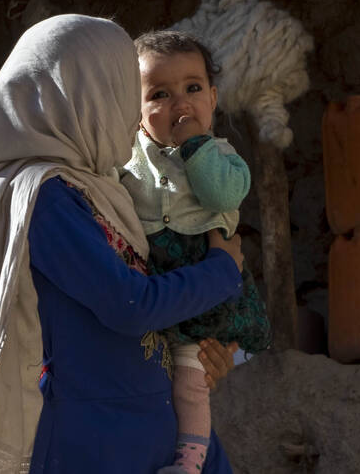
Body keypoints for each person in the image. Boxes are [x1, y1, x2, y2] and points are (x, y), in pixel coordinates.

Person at [0, 14, 245, 474]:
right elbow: (128, 303)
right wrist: (223, 268)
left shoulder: (105, 187)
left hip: (150, 426)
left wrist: (202, 354)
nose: (129, 113)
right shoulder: (43, 197)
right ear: (81, 98)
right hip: (96, 443)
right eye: (122, 92)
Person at [119, 30, 272, 474]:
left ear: (213, 98)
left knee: (192, 380)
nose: (180, 104)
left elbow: (220, 196)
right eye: (159, 95)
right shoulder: (128, 159)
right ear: (134, 109)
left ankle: (189, 462)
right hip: (155, 287)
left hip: (204, 280)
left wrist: (195, 146)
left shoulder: (223, 158)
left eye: (192, 89)